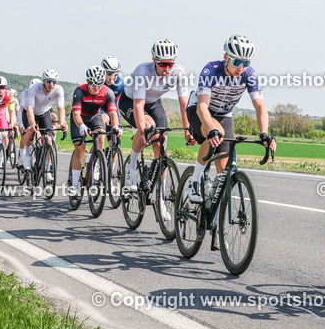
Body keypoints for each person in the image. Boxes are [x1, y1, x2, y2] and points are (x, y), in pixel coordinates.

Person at [187, 35, 276, 203]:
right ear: (226, 57)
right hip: (199, 109)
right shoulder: (211, 70)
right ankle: (194, 182)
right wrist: (211, 129)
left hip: (224, 114)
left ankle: (214, 209)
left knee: (222, 171)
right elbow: (202, 107)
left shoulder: (249, 74)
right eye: (236, 62)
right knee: (216, 134)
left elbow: (260, 106)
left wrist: (264, 133)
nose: (241, 68)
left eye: (246, 63)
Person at [118, 39, 195, 192]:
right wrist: (141, 132)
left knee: (162, 141)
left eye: (170, 64)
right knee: (147, 126)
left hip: (154, 103)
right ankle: (131, 167)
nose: (166, 68)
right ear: (154, 60)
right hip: (131, 101)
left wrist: (188, 129)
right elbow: (138, 105)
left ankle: (160, 195)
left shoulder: (179, 73)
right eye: (162, 64)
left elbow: (184, 104)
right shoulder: (143, 71)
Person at [69, 66, 120, 199]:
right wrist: (81, 126)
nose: (96, 88)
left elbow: (113, 113)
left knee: (101, 136)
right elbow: (76, 113)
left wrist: (115, 127)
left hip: (94, 116)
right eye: (93, 85)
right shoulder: (80, 91)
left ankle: (95, 162)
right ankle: (74, 185)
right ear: (87, 81)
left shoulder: (107, 92)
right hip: (79, 117)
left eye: (99, 85)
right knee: (80, 148)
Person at [19, 71, 68, 179]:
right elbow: (30, 109)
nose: (51, 84)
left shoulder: (58, 90)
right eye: (49, 81)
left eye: (54, 82)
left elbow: (60, 108)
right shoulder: (35, 88)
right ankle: (27, 154)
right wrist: (32, 124)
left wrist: (63, 122)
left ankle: (47, 171)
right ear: (43, 81)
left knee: (49, 140)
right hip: (29, 112)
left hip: (44, 114)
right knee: (31, 131)